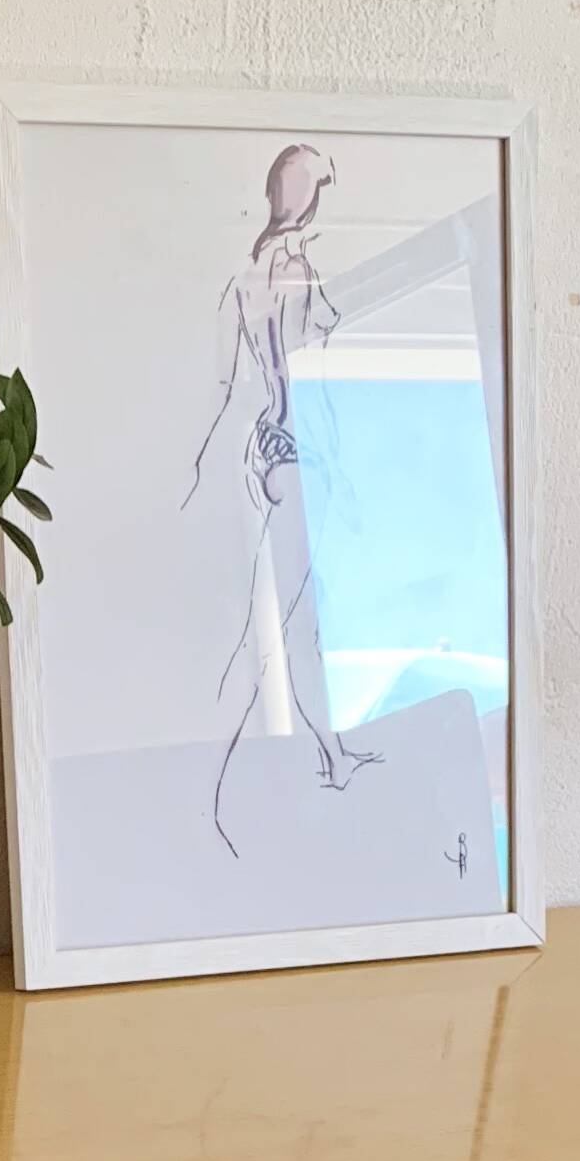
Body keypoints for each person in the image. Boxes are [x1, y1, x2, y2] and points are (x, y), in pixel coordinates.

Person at [183, 141, 380, 853]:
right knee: (299, 622)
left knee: (287, 617)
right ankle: (321, 759)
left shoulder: (245, 272)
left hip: (267, 450)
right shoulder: (293, 265)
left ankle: (326, 753)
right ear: (309, 197)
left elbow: (233, 377)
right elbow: (311, 354)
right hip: (298, 451)